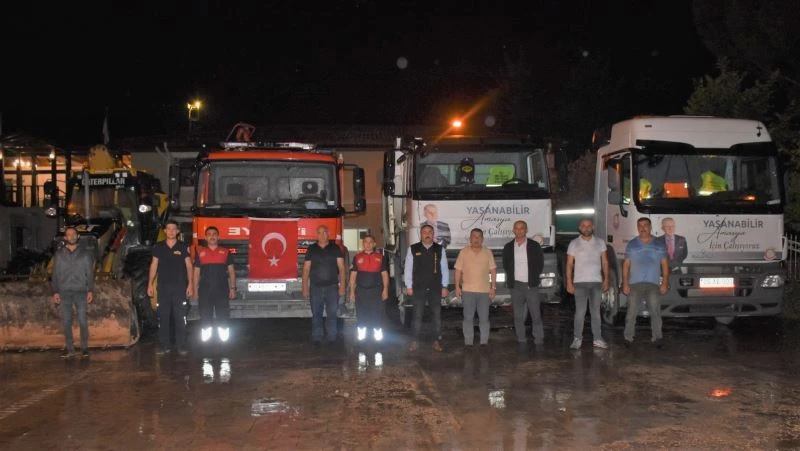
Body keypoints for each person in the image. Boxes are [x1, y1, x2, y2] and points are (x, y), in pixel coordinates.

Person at [622, 217, 669, 349]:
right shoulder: (632, 244)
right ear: (637, 228)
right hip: (634, 284)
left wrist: (665, 282)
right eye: (640, 226)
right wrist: (625, 283)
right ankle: (628, 337)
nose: (643, 228)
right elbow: (626, 265)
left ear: (650, 227)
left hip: (653, 284)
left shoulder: (659, 244)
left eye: (645, 225)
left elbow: (665, 264)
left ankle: (657, 337)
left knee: (655, 311)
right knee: (631, 312)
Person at [148, 220, 193, 356]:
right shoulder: (158, 247)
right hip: (163, 288)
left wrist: (190, 284)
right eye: (169, 229)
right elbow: (154, 265)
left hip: (179, 288)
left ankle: (181, 345)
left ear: (178, 231)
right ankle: (164, 345)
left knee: (180, 317)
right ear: (165, 231)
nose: (171, 231)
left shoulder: (183, 246)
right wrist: (150, 284)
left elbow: (189, 266)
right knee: (163, 316)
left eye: (174, 229)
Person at [565, 218, 610, 350]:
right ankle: (577, 338)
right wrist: (569, 282)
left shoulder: (600, 242)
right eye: (583, 226)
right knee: (580, 312)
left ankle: (597, 339)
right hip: (579, 283)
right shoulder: (574, 243)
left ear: (593, 227)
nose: (586, 228)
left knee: (596, 312)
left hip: (596, 282)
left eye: (589, 225)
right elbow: (569, 264)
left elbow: (605, 262)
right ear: (580, 228)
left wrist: (606, 279)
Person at [51, 226, 95, 359]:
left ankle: (84, 348)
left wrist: (90, 290)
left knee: (82, 320)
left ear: (78, 236)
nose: (71, 236)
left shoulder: (85, 254)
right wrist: (55, 291)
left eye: (74, 234)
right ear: (65, 237)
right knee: (66, 321)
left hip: (81, 291)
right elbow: (55, 273)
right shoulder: (59, 254)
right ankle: (70, 349)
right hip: (64, 292)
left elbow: (90, 273)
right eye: (69, 234)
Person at [404, 224, 449, 352]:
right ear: (421, 234)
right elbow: (408, 269)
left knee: (436, 316)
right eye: (425, 232)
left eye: (430, 232)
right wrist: (409, 285)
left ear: (433, 234)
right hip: (418, 288)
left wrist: (444, 286)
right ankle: (414, 341)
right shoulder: (413, 249)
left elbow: (444, 269)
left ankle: (436, 341)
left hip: (435, 287)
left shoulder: (439, 249)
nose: (427, 234)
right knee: (417, 315)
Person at [501, 220, 544, 345]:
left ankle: (538, 339)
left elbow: (540, 264)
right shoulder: (508, 247)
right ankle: (521, 339)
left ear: (526, 230)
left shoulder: (534, 246)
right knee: (518, 316)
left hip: (531, 286)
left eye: (522, 228)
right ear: (513, 230)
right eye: (517, 228)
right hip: (516, 286)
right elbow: (506, 265)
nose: (519, 230)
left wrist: (533, 279)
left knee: (535, 314)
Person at [302, 225, 346, 345]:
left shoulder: (335, 248)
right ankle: (317, 337)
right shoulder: (311, 249)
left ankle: (332, 337)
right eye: (319, 233)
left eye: (324, 232)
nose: (322, 235)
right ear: (317, 235)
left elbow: (342, 268)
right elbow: (306, 269)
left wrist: (342, 286)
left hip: (332, 288)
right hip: (315, 288)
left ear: (328, 233)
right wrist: (304, 287)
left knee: (332, 314)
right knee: (316, 314)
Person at [193, 226, 236, 344]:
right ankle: (206, 342)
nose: (212, 236)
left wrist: (233, 288)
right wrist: (195, 290)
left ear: (218, 237)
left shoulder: (226, 252)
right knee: (205, 314)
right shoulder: (200, 252)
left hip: (222, 290)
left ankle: (224, 342)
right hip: (205, 291)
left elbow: (232, 272)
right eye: (209, 234)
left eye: (214, 234)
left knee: (223, 314)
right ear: (206, 237)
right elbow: (196, 273)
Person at [454, 228, 497, 347]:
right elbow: (458, 270)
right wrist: (457, 287)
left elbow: (493, 270)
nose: (476, 239)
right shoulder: (463, 252)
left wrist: (493, 287)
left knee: (484, 318)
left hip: (484, 292)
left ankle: (484, 342)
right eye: (474, 236)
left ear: (482, 239)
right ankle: (468, 342)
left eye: (479, 237)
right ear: (470, 238)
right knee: (468, 318)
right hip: (467, 291)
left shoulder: (488, 252)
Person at [348, 235, 389, 343]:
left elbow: (384, 275)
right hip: (361, 291)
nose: (368, 244)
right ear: (363, 244)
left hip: (376, 291)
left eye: (371, 242)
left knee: (377, 314)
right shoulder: (357, 257)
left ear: (374, 244)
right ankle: (362, 337)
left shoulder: (380, 257)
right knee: (361, 314)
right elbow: (353, 276)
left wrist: (385, 289)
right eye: (366, 242)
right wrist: (352, 292)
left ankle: (378, 338)